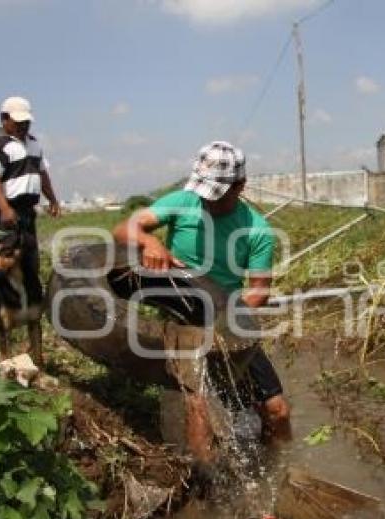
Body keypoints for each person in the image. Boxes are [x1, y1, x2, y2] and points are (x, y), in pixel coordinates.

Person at [112, 141, 291, 464]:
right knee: (199, 407)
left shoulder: (257, 229)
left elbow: (259, 291)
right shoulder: (182, 202)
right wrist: (150, 241)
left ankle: (276, 467)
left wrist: (224, 323)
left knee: (277, 410)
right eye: (204, 190)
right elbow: (123, 228)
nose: (207, 200)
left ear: (240, 186)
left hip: (227, 316)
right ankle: (206, 484)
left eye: (217, 193)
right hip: (180, 314)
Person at [0, 96, 61, 362]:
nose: (23, 126)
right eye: (18, 122)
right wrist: (4, 209)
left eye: (26, 122)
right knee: (3, 271)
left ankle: (35, 341)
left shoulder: (34, 144)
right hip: (6, 215)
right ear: (4, 119)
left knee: (30, 267)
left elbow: (42, 173)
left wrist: (52, 198)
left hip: (27, 215)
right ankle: (3, 341)